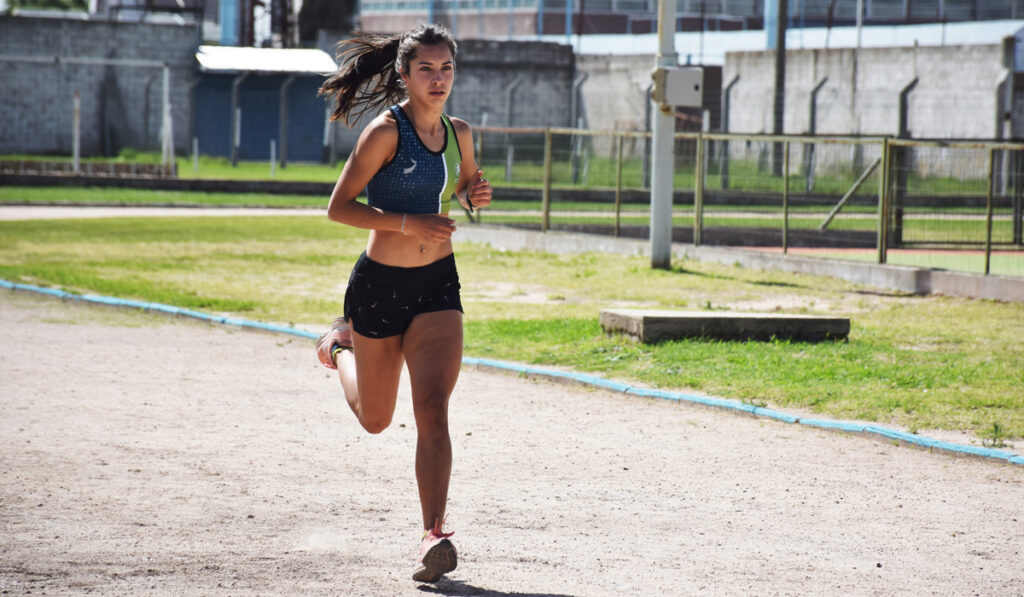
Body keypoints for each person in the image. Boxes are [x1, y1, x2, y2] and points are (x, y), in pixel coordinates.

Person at [313, 23, 492, 583]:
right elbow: (339, 208)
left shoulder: (460, 133)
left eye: (446, 69)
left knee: (433, 408)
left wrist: (473, 193)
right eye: (426, 70)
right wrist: (408, 220)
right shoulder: (384, 133)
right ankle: (338, 347)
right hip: (379, 287)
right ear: (404, 75)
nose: (438, 80)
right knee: (376, 419)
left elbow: (465, 184)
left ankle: (432, 535)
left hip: (437, 285)